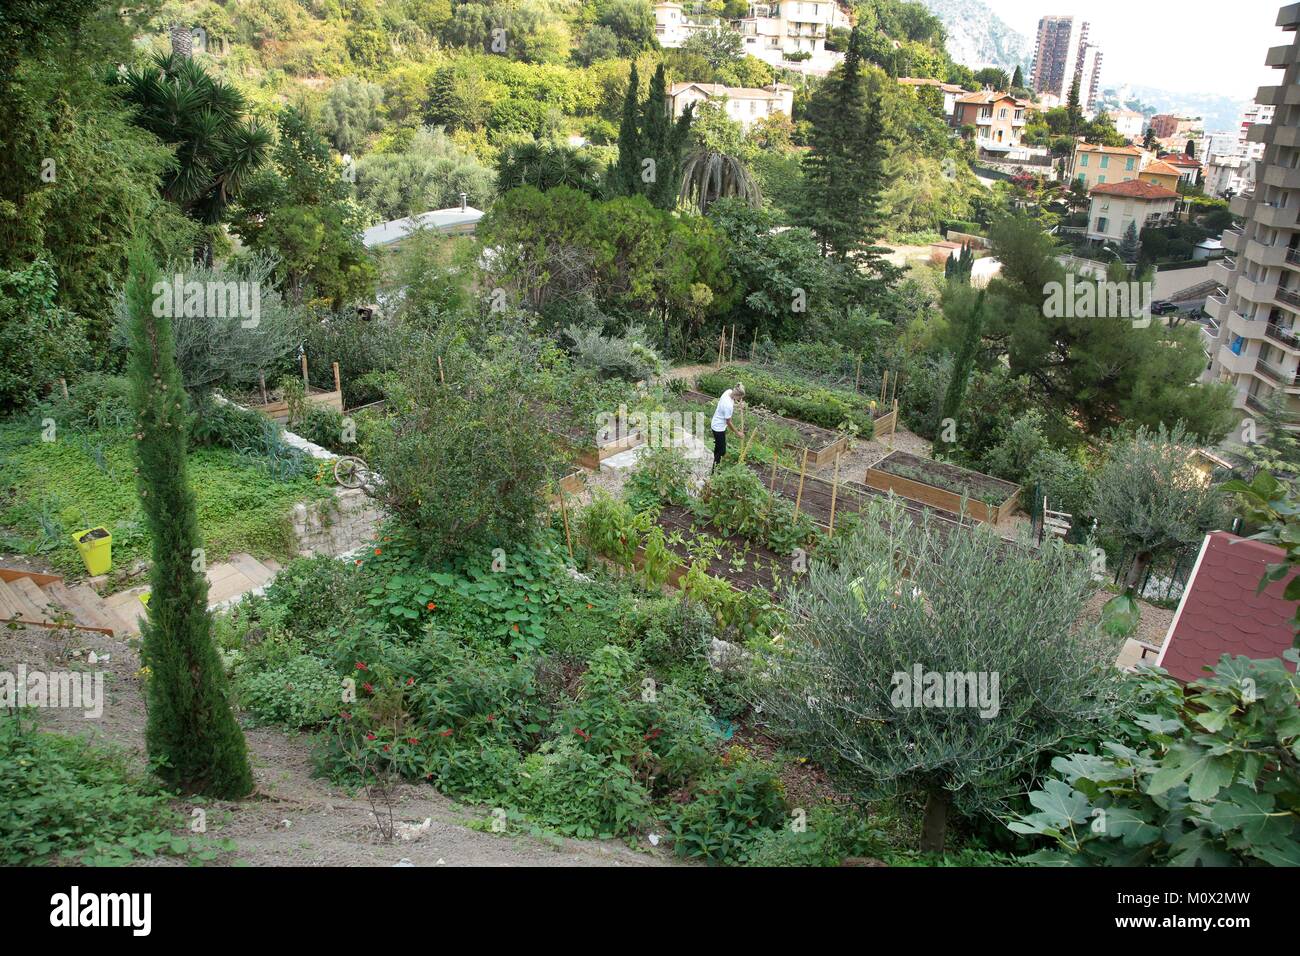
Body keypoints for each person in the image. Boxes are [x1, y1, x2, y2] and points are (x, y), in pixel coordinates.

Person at [710, 383, 745, 470]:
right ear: (737, 395)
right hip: (718, 428)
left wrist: (737, 406)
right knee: (722, 451)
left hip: (716, 422)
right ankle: (714, 471)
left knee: (718, 447)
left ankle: (715, 463)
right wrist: (738, 433)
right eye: (740, 398)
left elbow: (729, 403)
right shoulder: (728, 406)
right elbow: (728, 422)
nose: (739, 399)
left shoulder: (728, 391)